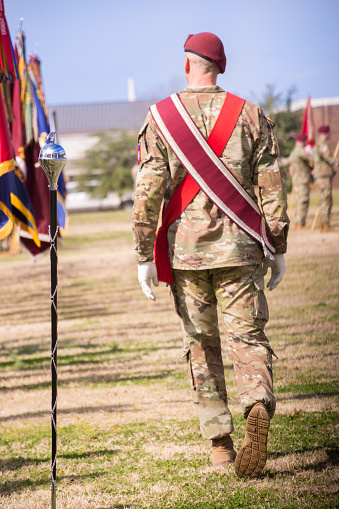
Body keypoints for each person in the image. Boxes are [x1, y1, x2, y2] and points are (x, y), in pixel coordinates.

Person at [132, 32, 289, 479]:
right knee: (248, 337)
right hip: (241, 249)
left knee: (201, 345)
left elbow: (147, 193)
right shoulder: (252, 115)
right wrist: (277, 247)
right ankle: (257, 401)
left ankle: (220, 444)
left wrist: (145, 254)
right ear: (221, 67)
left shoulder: (162, 117)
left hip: (187, 254)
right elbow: (272, 189)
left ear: (186, 65)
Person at [314, 125, 337, 232]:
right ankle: (325, 225)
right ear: (325, 134)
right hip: (323, 175)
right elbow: (329, 159)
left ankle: (323, 224)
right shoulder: (322, 145)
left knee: (324, 199)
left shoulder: (318, 144)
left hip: (321, 175)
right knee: (326, 199)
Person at [288, 133, 314, 230]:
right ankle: (300, 224)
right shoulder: (300, 151)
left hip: (298, 180)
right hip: (302, 180)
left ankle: (297, 222)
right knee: (303, 201)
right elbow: (312, 159)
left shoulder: (294, 151)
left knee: (299, 201)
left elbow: (291, 162)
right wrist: (311, 153)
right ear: (302, 141)